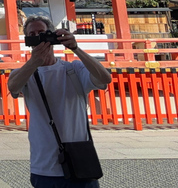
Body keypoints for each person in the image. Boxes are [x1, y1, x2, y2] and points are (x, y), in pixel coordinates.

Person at [7, 16, 112, 188]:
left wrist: (76, 48)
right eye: (32, 34)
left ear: (52, 35)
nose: (38, 37)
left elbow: (104, 78)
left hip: (80, 162)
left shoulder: (73, 69)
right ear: (28, 40)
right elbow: (13, 87)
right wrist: (34, 61)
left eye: (42, 32)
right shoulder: (23, 73)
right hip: (44, 165)